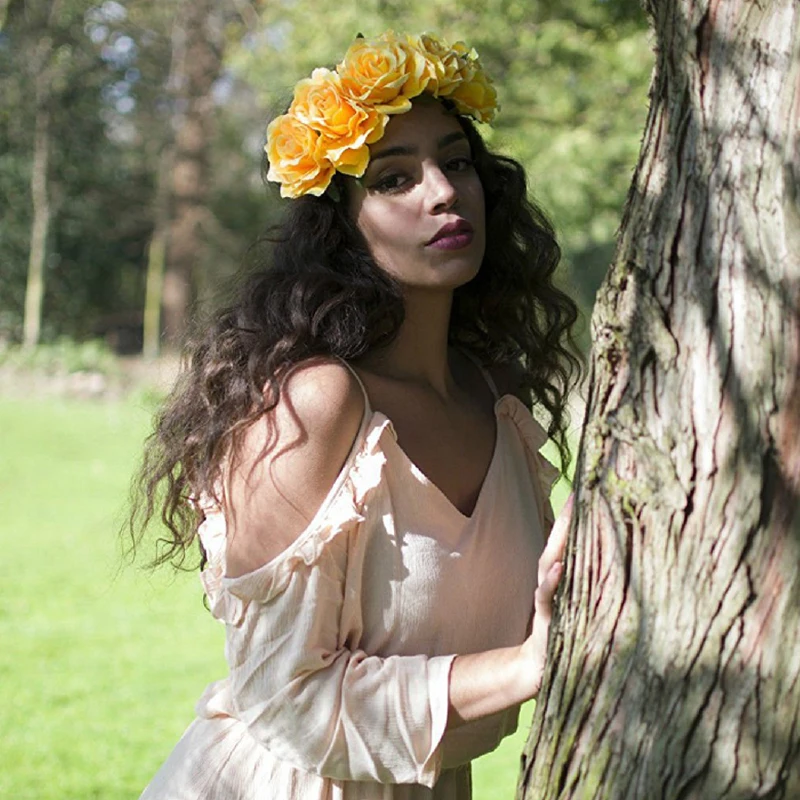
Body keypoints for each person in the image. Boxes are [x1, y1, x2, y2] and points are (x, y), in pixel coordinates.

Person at [129, 30, 581, 800]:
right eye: (394, 179)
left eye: (457, 161)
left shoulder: (498, 397)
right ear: (344, 225)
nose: (442, 192)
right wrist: (528, 666)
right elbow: (286, 701)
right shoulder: (318, 403)